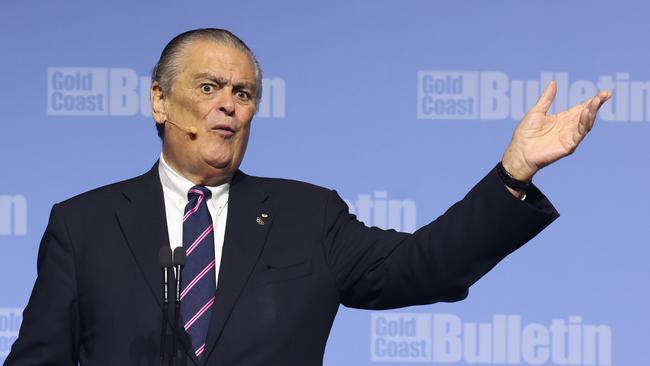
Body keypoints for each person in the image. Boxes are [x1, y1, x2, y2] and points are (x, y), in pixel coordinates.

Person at [5, 28, 610, 366]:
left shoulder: (306, 215)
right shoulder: (83, 225)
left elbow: (424, 267)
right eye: (209, 86)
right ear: (159, 101)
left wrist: (513, 172)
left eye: (243, 93)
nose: (228, 105)